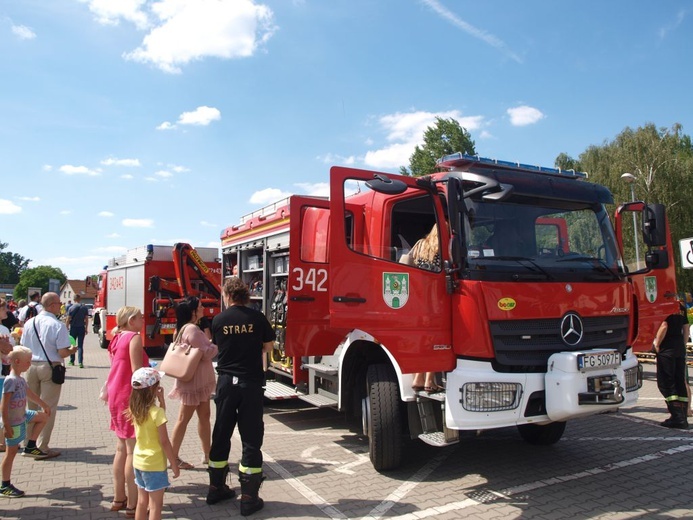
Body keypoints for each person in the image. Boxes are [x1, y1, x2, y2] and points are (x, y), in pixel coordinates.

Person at [206, 277, 275, 514]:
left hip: (225, 384)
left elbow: (218, 346)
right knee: (251, 437)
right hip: (250, 384)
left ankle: (216, 488)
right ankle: (248, 498)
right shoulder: (257, 318)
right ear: (245, 295)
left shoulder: (218, 320)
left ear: (227, 295)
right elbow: (268, 347)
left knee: (221, 433)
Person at [21, 292, 77, 459]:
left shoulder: (30, 323)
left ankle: (27, 444)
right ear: (52, 305)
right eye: (59, 303)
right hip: (50, 366)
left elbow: (23, 346)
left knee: (31, 407)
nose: (60, 306)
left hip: (30, 365)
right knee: (48, 407)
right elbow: (61, 351)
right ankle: (42, 446)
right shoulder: (57, 325)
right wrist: (72, 351)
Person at [105, 307, 149, 516]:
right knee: (132, 450)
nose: (143, 319)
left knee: (121, 448)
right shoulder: (133, 338)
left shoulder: (116, 337)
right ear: (131, 320)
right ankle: (133, 503)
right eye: (140, 317)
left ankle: (118, 497)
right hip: (128, 396)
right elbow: (137, 373)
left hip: (115, 394)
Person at [167, 297, 218, 469]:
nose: (203, 308)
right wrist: (216, 346)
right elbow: (206, 353)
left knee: (204, 417)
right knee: (183, 419)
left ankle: (208, 454)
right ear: (193, 311)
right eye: (200, 306)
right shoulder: (193, 330)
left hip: (196, 382)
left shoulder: (184, 329)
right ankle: (173, 458)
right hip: (194, 382)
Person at [126, 367, 179, 520]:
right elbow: (164, 441)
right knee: (156, 505)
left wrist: (161, 400)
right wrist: (174, 463)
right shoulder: (157, 413)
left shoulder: (135, 409)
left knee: (142, 502)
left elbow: (156, 416)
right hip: (154, 464)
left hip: (139, 462)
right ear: (154, 389)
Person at [0, 346, 51, 497]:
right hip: (13, 422)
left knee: (43, 417)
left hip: (22, 415)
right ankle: (5, 485)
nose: (30, 364)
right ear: (17, 361)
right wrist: (6, 426)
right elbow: (3, 406)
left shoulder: (21, 379)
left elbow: (29, 394)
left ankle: (30, 445)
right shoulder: (10, 381)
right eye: (28, 362)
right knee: (11, 454)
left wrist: (44, 405)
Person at [407, 225, 444, 393]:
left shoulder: (420, 244)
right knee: (435, 340)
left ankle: (417, 378)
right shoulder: (443, 249)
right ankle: (429, 381)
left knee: (420, 339)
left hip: (418, 299)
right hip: (435, 300)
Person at [652, 303, 690, 429]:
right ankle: (683, 417)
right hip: (679, 347)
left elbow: (664, 326)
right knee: (679, 381)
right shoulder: (681, 308)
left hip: (667, 349)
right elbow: (686, 328)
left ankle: (677, 417)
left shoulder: (664, 306)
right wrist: (682, 345)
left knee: (667, 383)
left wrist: (657, 344)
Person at [66, 294, 89, 368]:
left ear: (74, 299)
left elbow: (68, 319)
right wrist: (86, 328)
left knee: (72, 344)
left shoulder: (71, 307)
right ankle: (80, 362)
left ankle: (72, 361)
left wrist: (66, 327)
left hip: (73, 328)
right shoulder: (84, 308)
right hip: (81, 327)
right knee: (80, 346)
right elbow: (86, 319)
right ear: (80, 299)